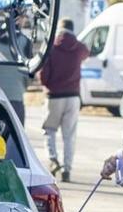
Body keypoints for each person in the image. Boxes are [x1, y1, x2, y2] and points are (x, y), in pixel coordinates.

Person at [36, 18, 87, 181]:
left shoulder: (51, 47)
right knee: (69, 135)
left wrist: (48, 84)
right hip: (73, 97)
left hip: (54, 96)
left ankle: (53, 160)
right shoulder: (79, 48)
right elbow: (87, 52)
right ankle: (67, 169)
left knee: (49, 130)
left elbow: (43, 75)